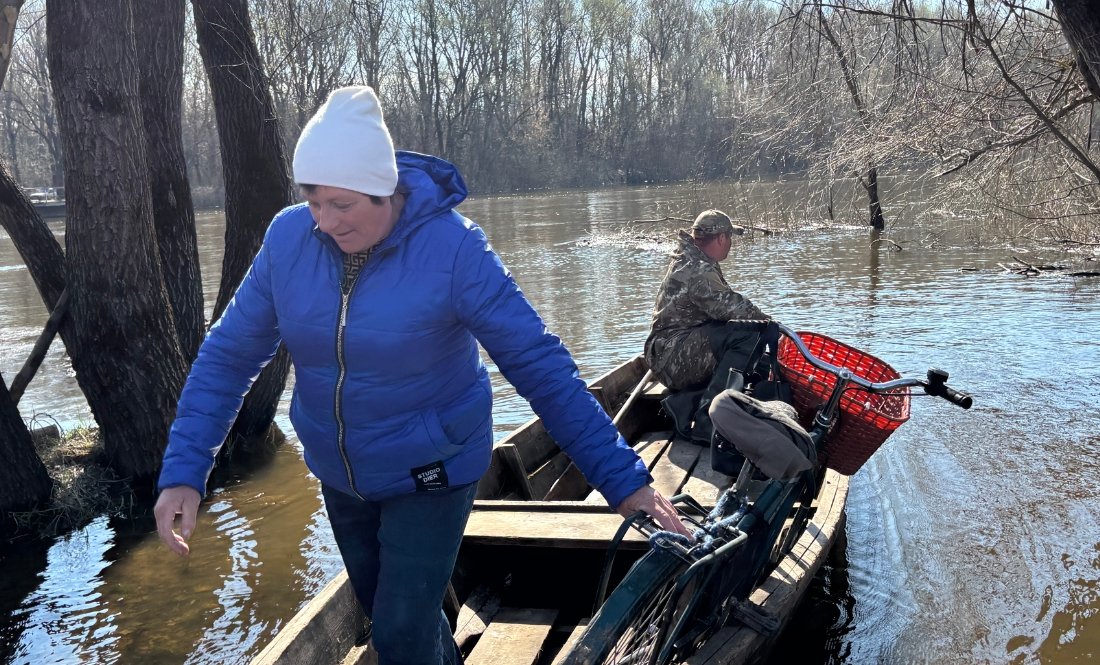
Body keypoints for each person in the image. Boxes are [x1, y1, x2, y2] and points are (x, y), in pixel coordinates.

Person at [153, 86, 690, 665]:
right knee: (388, 609)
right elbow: (228, 357)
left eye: (343, 204)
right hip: (342, 474)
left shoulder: (455, 250)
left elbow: (541, 368)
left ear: (384, 191)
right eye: (313, 199)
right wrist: (185, 470)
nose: (324, 220)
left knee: (400, 633)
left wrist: (623, 480)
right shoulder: (288, 239)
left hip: (431, 469)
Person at [643, 209, 768, 444]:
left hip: (669, 351)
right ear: (721, 238)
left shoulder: (695, 259)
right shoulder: (697, 270)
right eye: (730, 237)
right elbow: (735, 308)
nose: (731, 243)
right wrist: (772, 325)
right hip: (671, 357)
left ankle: (684, 403)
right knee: (748, 336)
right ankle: (706, 422)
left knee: (752, 357)